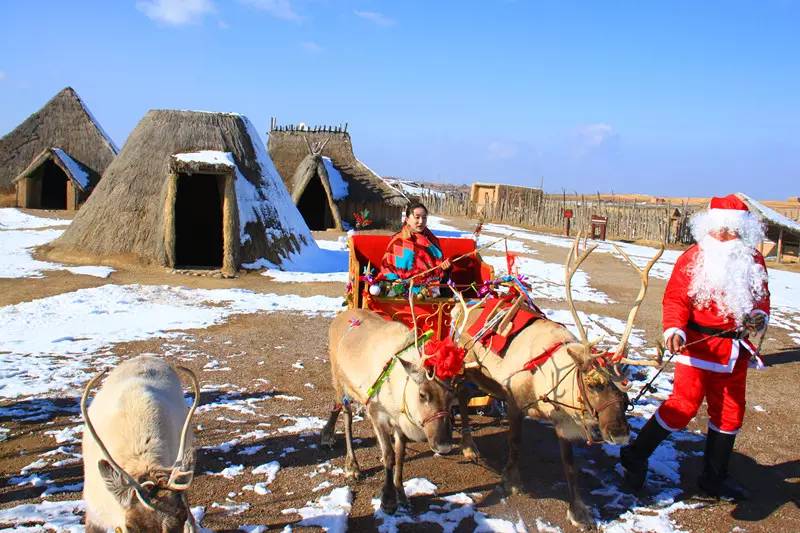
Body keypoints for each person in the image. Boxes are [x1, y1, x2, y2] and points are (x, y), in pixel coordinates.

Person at [620, 194, 770, 501]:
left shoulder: (753, 261)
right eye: (719, 230)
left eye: (731, 231)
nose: (724, 236)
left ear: (741, 232)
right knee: (682, 407)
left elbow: (762, 297)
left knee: (730, 413)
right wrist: (674, 328)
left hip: (734, 351)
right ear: (709, 228)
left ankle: (714, 478)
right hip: (696, 347)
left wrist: (758, 317)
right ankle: (635, 454)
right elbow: (676, 298)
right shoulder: (692, 257)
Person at [377, 202, 451, 295]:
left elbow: (438, 267)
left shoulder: (432, 241)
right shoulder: (398, 242)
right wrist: (396, 281)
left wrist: (445, 267)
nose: (421, 221)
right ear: (407, 219)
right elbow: (387, 267)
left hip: (431, 290)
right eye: (417, 217)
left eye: (424, 218)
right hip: (402, 290)